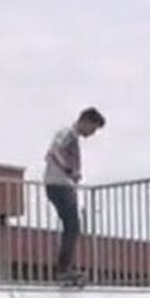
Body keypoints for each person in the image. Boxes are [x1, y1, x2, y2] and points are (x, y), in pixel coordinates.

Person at [43, 107, 106, 280]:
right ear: (85, 121)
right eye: (93, 128)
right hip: (58, 184)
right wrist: (68, 170)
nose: (92, 133)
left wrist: (73, 174)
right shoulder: (68, 134)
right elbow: (53, 152)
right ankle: (64, 269)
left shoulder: (72, 137)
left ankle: (65, 267)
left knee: (72, 225)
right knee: (73, 225)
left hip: (63, 184)